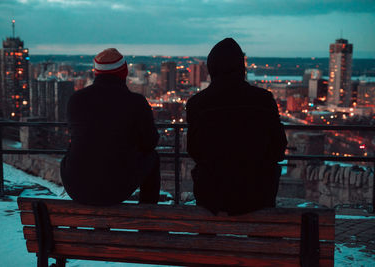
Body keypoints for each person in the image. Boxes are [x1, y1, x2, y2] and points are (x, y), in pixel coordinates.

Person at [186, 38, 287, 215]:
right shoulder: (263, 100)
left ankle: (207, 238)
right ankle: (263, 238)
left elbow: (194, 150)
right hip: (257, 194)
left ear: (212, 68)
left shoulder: (197, 103)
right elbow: (278, 148)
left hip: (212, 196)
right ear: (242, 67)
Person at [60, 48, 161, 205]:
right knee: (153, 158)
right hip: (115, 188)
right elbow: (150, 143)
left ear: (96, 73)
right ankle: (147, 216)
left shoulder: (76, 99)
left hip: (76, 185)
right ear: (124, 72)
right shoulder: (135, 102)